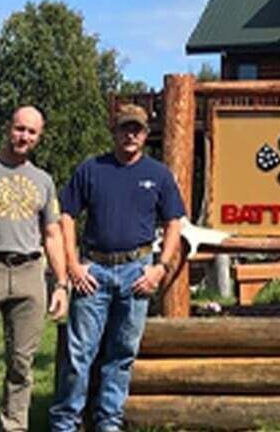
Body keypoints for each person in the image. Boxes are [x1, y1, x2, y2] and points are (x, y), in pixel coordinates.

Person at [50, 103, 186, 432]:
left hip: (137, 271)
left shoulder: (158, 174)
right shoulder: (91, 169)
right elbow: (66, 215)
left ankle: (108, 421)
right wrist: (73, 265)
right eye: (125, 128)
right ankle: (65, 422)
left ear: (145, 134)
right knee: (79, 353)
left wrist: (160, 268)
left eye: (137, 129)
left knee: (122, 353)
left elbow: (174, 223)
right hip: (93, 271)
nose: (131, 135)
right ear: (114, 131)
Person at [0, 105, 68, 432]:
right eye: (19, 128)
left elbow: (53, 234)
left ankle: (14, 426)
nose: (24, 136)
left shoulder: (43, 180)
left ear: (39, 137)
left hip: (29, 272)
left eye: (31, 132)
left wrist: (61, 284)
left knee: (21, 364)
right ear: (8, 128)